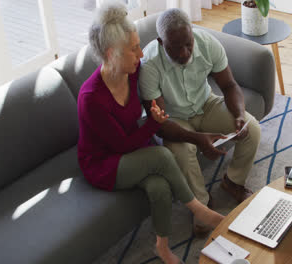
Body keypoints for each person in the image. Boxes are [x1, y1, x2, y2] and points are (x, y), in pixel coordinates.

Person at [77, 2, 224, 263]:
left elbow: (143, 121)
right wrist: (154, 124)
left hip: (134, 148)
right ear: (112, 54)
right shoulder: (91, 98)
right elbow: (121, 145)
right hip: (105, 163)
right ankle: (200, 209)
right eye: (133, 49)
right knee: (161, 156)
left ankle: (162, 247)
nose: (140, 54)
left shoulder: (132, 74)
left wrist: (157, 121)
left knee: (159, 187)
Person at [139, 8, 261, 234]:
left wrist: (239, 115)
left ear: (192, 33)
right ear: (160, 41)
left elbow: (229, 86)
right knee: (182, 154)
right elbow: (160, 124)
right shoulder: (149, 64)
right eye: (175, 48)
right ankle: (202, 206)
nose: (184, 53)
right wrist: (197, 140)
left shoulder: (208, 44)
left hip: (206, 104)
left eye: (188, 44)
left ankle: (233, 182)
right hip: (173, 120)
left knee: (252, 129)